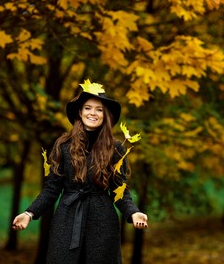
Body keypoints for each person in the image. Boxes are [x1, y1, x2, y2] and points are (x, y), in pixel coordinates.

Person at [12, 80, 148, 264]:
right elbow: (51, 189)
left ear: (105, 115)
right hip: (67, 219)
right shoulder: (63, 146)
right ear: (80, 112)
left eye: (99, 109)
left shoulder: (115, 148)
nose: (93, 113)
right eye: (88, 108)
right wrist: (29, 214)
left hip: (102, 222)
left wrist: (133, 213)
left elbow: (120, 191)